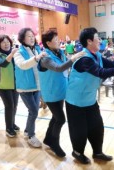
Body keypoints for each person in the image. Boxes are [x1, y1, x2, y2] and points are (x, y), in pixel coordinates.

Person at [65, 27, 114, 164]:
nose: (100, 41)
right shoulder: (84, 58)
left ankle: (97, 152)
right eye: (97, 38)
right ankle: (77, 152)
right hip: (75, 102)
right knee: (79, 130)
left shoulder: (97, 55)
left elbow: (111, 64)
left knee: (97, 127)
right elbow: (101, 72)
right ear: (89, 41)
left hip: (89, 99)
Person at [37, 29, 84, 157]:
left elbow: (66, 64)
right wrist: (73, 59)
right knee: (61, 119)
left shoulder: (59, 52)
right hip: (51, 93)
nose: (59, 42)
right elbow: (58, 68)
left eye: (58, 39)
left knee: (55, 117)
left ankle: (48, 139)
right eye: (56, 40)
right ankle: (54, 143)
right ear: (48, 43)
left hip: (61, 91)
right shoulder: (45, 58)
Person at [14, 28, 47, 148]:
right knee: (33, 110)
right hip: (25, 87)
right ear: (22, 38)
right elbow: (23, 65)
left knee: (33, 111)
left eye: (32, 35)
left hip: (37, 86)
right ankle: (31, 136)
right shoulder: (18, 52)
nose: (32, 38)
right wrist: (37, 58)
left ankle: (28, 130)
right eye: (28, 36)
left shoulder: (37, 48)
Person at [0, 35, 19, 138]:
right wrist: (12, 54)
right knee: (9, 106)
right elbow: (3, 64)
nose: (6, 44)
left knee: (15, 106)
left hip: (15, 84)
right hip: (3, 85)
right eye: (3, 42)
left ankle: (12, 123)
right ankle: (9, 128)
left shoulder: (14, 54)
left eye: (8, 42)